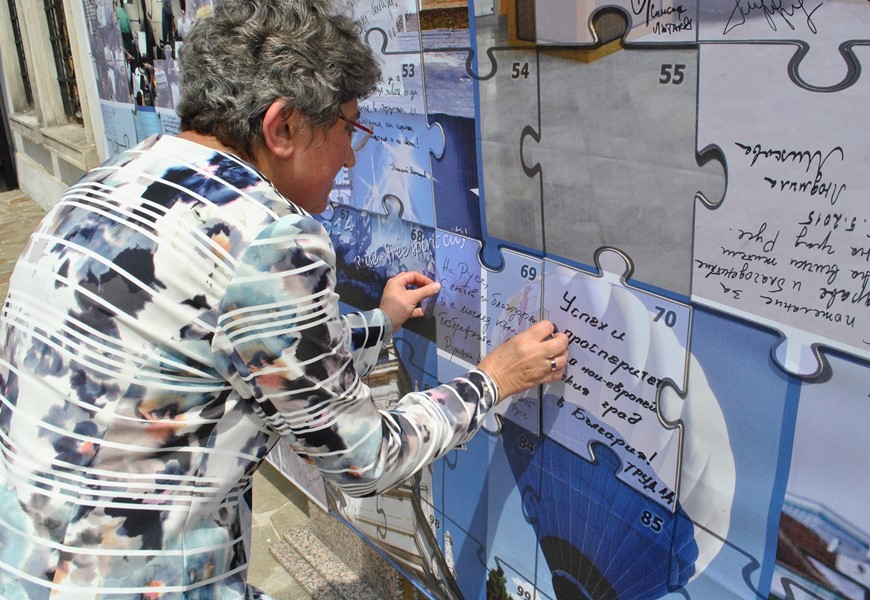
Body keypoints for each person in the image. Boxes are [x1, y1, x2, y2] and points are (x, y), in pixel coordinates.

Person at [0, 0, 569, 598]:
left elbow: (234, 351)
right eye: (349, 129)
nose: (352, 156)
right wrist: (494, 378)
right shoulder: (266, 235)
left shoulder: (112, 180)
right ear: (283, 128)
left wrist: (381, 322)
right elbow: (365, 460)